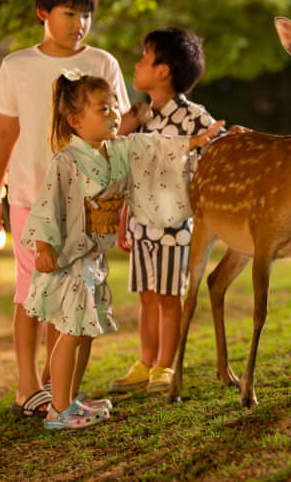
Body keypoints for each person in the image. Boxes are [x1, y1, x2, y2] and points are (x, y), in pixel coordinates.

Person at [22, 71, 224, 430]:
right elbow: (45, 207)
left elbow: (157, 147)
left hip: (92, 260)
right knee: (72, 333)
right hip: (69, 261)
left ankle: (70, 397)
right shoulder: (65, 161)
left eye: (115, 105)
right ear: (75, 120)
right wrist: (42, 245)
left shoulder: (119, 149)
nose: (115, 113)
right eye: (104, 108)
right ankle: (59, 409)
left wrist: (195, 141)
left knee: (85, 332)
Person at [0, 0, 131, 420]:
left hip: (88, 203)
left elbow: (117, 131)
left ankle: (59, 391)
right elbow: (6, 132)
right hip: (30, 198)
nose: (79, 23)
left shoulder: (103, 63)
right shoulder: (17, 66)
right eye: (69, 12)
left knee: (76, 295)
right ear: (42, 12)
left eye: (85, 14)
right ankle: (28, 387)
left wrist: (121, 199)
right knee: (32, 291)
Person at [110, 27, 222, 394]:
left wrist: (229, 138)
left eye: (145, 57)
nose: (137, 64)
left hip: (175, 226)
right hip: (141, 225)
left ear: (163, 72)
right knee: (146, 296)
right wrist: (125, 217)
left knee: (169, 298)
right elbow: (131, 169)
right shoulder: (143, 118)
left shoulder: (194, 118)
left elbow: (216, 151)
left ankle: (164, 366)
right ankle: (145, 361)